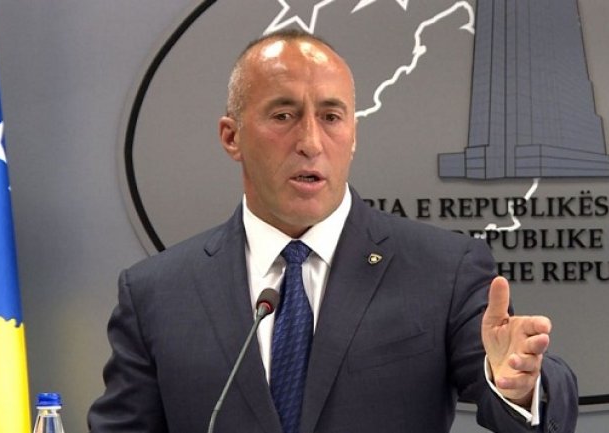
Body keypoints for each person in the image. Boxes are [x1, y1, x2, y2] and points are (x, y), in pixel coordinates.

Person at [88, 29, 578, 433]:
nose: (310, 141)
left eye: (330, 117)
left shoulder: (442, 270)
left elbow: (518, 393)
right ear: (232, 137)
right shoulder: (157, 293)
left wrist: (519, 385)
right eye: (283, 115)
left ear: (353, 135)